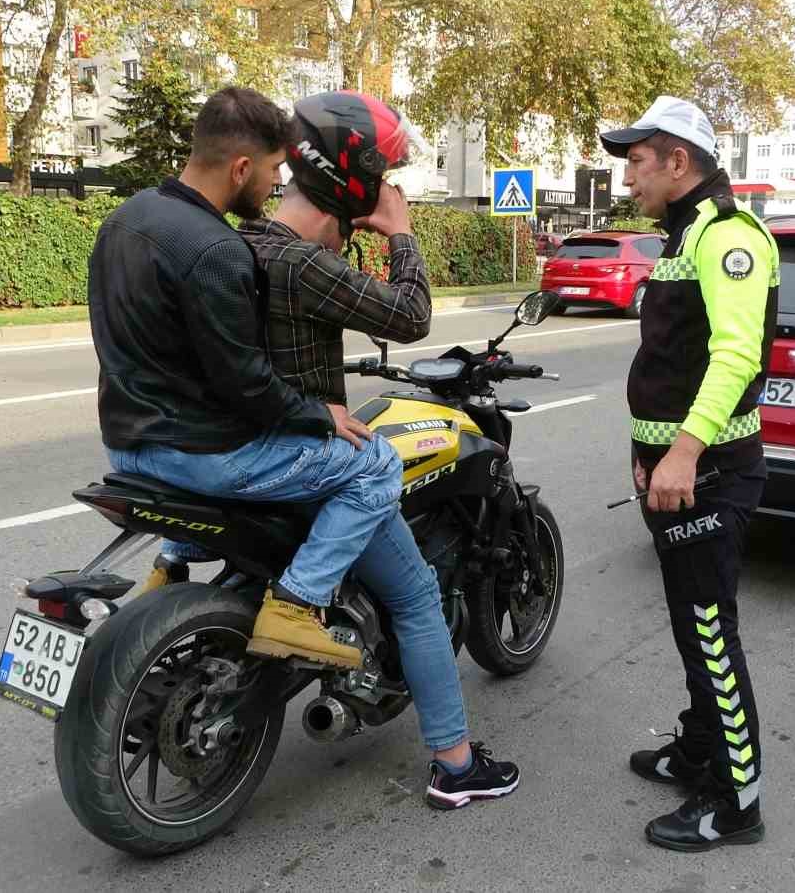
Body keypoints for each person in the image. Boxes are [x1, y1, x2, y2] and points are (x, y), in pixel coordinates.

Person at [88, 86, 519, 810]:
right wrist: (399, 232)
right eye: (386, 176)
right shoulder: (288, 260)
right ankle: (453, 762)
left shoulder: (224, 238)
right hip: (273, 447)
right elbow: (409, 316)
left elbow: (218, 357)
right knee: (411, 586)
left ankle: (173, 569)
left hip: (163, 439)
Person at [598, 95, 777, 852]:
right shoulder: (684, 235)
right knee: (690, 626)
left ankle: (736, 801)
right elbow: (673, 361)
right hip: (675, 472)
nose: (628, 176)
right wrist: (650, 450)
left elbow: (735, 355)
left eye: (637, 161)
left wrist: (682, 452)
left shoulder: (728, 236)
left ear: (679, 160)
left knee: (709, 633)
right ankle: (698, 749)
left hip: (710, 474)